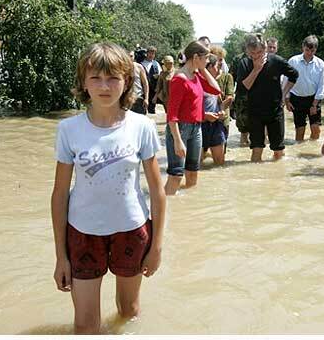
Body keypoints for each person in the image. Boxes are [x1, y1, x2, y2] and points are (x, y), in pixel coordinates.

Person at [51, 42, 166, 334]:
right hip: (82, 234)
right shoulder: (69, 130)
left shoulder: (142, 126)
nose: (105, 86)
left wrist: (157, 246)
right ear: (84, 83)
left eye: (113, 77)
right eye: (96, 78)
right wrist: (60, 256)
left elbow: (156, 190)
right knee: (85, 325)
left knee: (128, 312)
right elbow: (59, 194)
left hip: (132, 231)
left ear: (126, 81)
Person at [164, 41, 221, 195]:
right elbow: (172, 114)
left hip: (196, 128)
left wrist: (203, 70)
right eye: (206, 57)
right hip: (180, 130)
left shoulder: (195, 76)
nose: (208, 61)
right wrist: (177, 140)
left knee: (193, 173)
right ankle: (162, 210)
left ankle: (187, 211)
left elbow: (216, 89)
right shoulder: (179, 79)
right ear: (196, 57)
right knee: (176, 175)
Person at [238, 33, 298, 162]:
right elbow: (244, 88)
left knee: (278, 151)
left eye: (259, 52)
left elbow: (294, 75)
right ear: (247, 51)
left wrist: (284, 93)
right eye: (252, 53)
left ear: (264, 48)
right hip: (254, 112)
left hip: (275, 111)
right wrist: (256, 69)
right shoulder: (244, 63)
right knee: (256, 150)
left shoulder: (276, 61)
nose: (256, 56)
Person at [284, 35, 324, 141]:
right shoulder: (293, 61)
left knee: (316, 129)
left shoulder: (320, 63)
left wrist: (314, 104)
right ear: (303, 47)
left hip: (313, 99)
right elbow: (286, 81)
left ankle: (312, 152)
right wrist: (287, 100)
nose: (309, 53)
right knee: (300, 130)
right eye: (307, 50)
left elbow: (322, 85)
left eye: (312, 50)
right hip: (296, 99)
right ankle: (299, 151)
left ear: (315, 49)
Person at [201, 54, 228, 165]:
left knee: (219, 164)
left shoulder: (214, 83)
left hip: (216, 125)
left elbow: (218, 102)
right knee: (196, 166)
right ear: (210, 67)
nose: (219, 69)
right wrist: (205, 115)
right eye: (217, 66)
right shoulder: (197, 82)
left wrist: (221, 111)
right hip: (200, 126)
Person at [209, 46, 235, 142]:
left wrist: (223, 105)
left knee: (221, 151)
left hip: (222, 118)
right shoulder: (202, 77)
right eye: (216, 60)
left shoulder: (227, 77)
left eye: (221, 60)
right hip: (206, 119)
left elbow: (229, 97)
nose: (219, 63)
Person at [230, 47, 251, 146]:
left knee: (260, 129)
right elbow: (231, 78)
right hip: (242, 97)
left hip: (259, 96)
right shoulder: (238, 60)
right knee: (243, 128)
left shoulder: (262, 58)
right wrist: (230, 94)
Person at [141, 46, 162, 114]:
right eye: (150, 53)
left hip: (153, 91)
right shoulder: (141, 63)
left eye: (153, 53)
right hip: (142, 91)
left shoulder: (156, 64)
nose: (151, 55)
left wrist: (158, 76)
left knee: (152, 110)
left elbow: (161, 77)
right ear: (146, 53)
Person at [130, 49, 150, 115]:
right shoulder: (121, 67)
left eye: (131, 56)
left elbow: (145, 83)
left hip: (138, 98)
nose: (129, 58)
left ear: (134, 56)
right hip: (126, 98)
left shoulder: (139, 67)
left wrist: (146, 98)